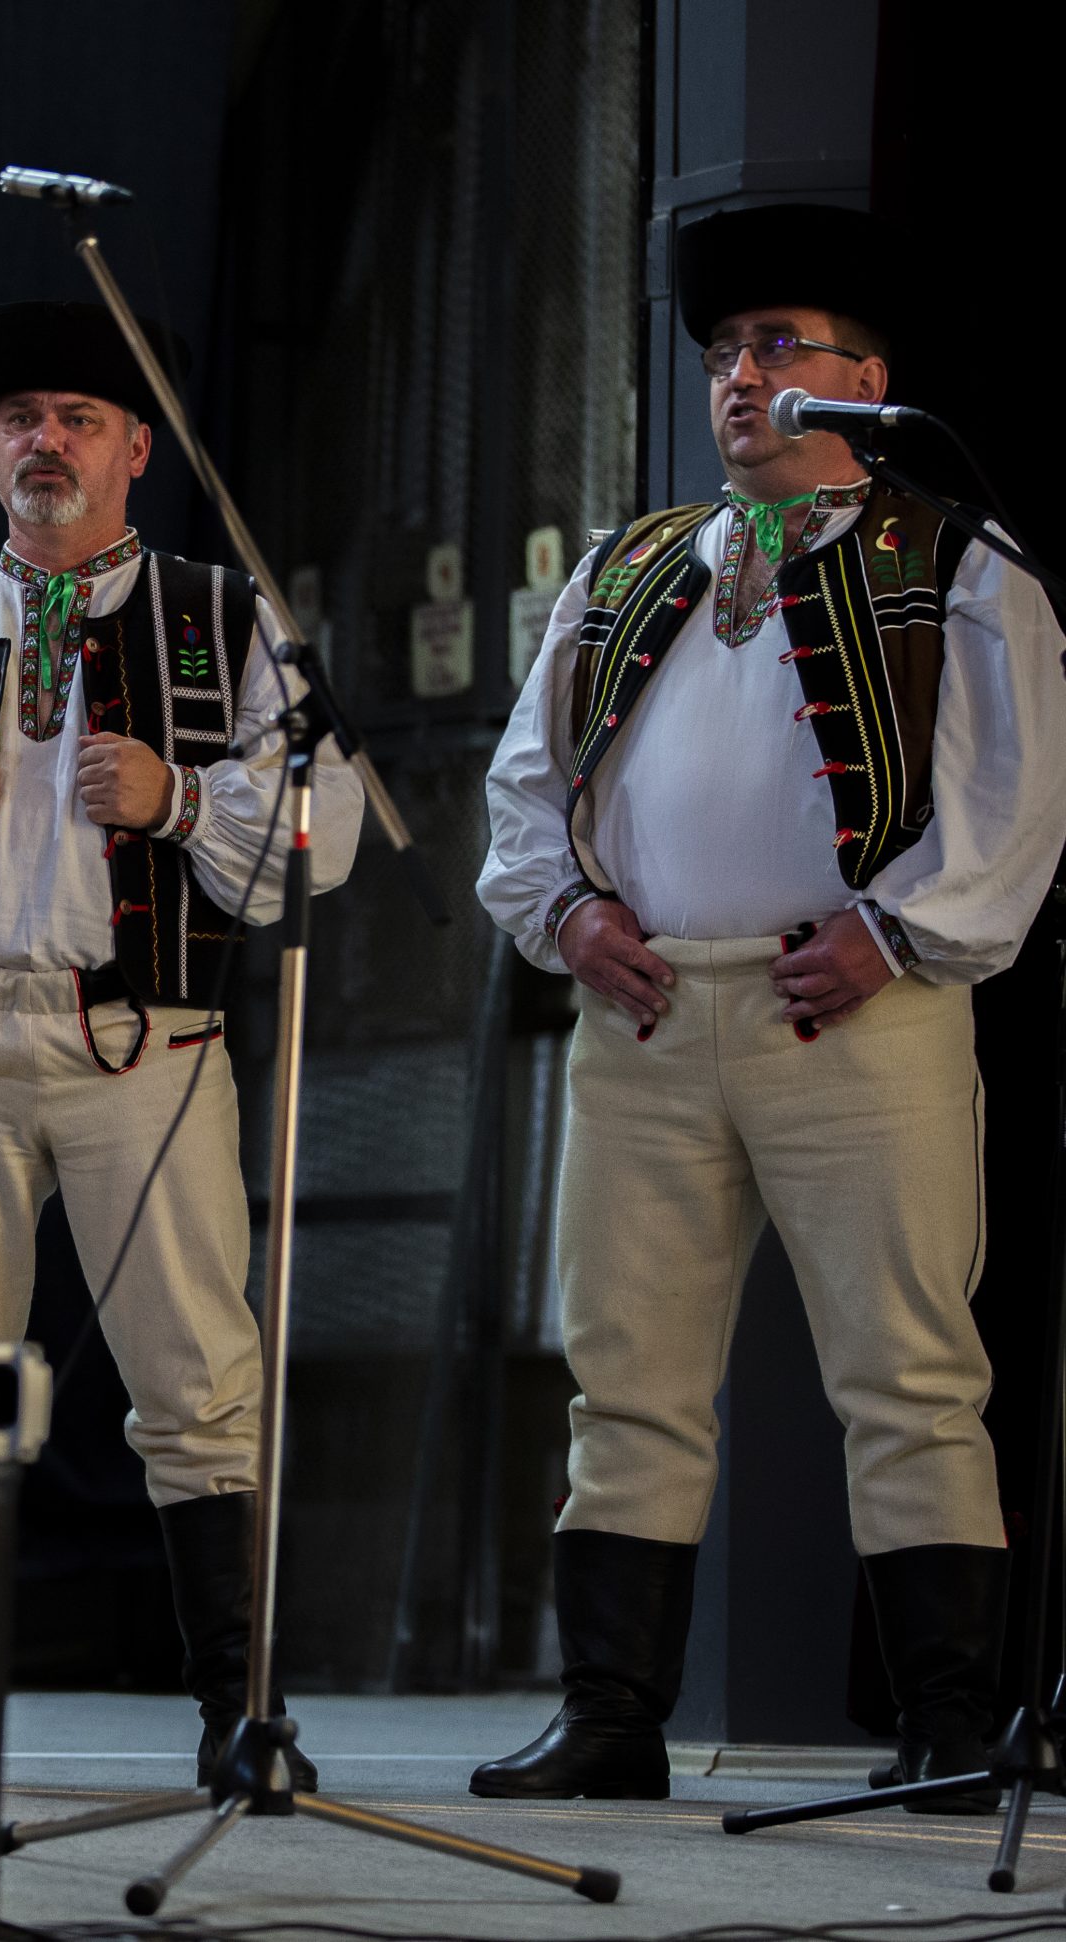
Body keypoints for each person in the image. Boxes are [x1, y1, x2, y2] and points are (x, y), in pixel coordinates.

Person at [474, 201, 1066, 1805]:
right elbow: (527, 785)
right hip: (648, 1017)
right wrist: (569, 912)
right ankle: (610, 1716)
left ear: (865, 381)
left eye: (779, 346)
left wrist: (900, 932)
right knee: (626, 1373)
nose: (741, 375)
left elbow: (1011, 799)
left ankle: (950, 1722)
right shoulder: (630, 565)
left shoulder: (956, 559)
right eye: (727, 351)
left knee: (910, 1370)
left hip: (857, 1014)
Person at [0, 300, 361, 1790]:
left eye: (80, 419)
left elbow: (330, 829)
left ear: (136, 449)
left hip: (143, 1049)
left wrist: (179, 797)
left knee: (196, 1378)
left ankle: (238, 1711)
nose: (48, 441)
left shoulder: (225, 619)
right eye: (21, 418)